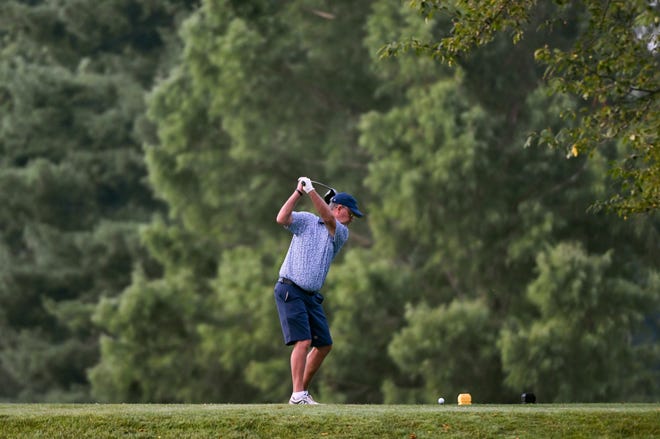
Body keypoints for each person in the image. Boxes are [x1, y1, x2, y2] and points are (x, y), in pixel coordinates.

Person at [274, 177, 363, 404]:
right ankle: (298, 395)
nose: (352, 219)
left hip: (310, 296)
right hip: (290, 289)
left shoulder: (340, 231)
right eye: (350, 213)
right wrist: (298, 193)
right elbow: (281, 218)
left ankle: (300, 392)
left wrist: (311, 190)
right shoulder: (306, 220)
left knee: (324, 344)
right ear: (339, 208)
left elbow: (327, 217)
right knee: (303, 342)